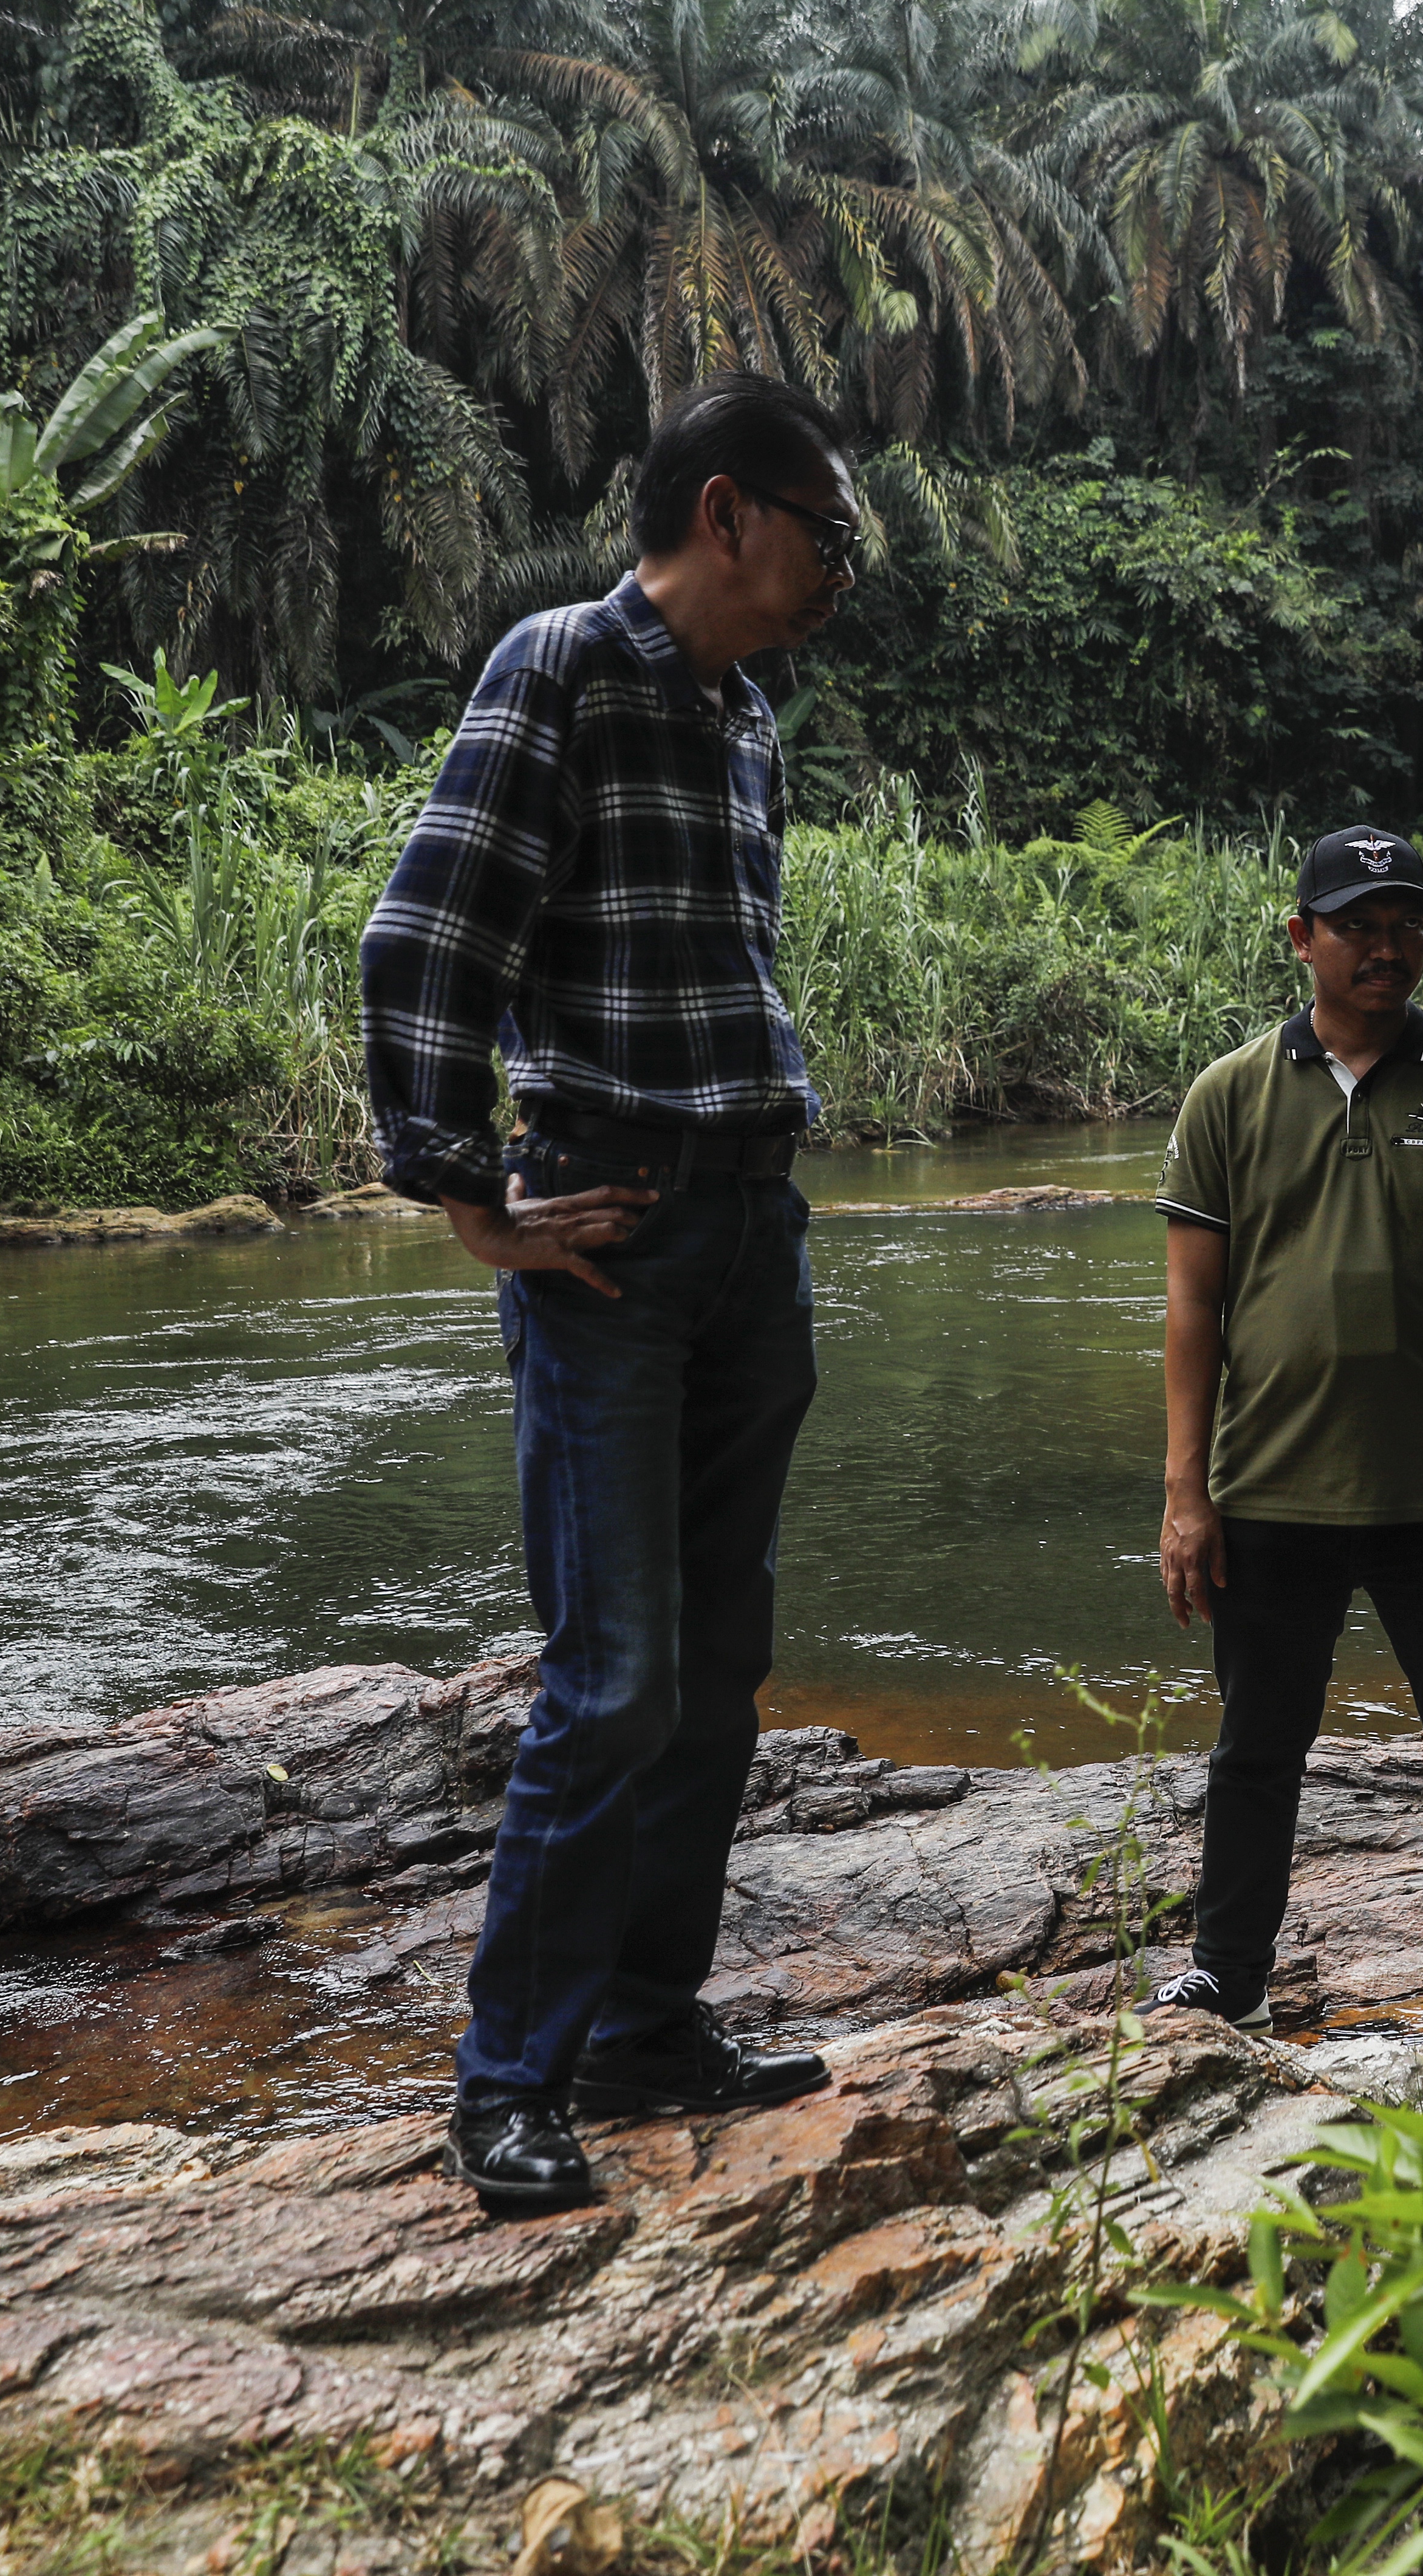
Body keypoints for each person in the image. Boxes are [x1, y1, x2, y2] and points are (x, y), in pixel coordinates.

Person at [358, 372, 865, 2214]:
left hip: (751, 1226)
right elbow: (424, 933)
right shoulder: (560, 667)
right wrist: (462, 1189)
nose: (841, 570)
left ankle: (653, 2026)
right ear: (727, 513)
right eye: (830, 531)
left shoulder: (747, 724)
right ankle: (510, 2081)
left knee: (717, 1668)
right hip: (619, 1241)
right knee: (617, 1677)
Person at [1146, 826, 1423, 2029]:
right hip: (1270, 1492)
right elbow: (1193, 1307)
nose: (1386, 947)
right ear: (1301, 938)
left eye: (1406, 922)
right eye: (1358, 925)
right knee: (1257, 1751)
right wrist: (1184, 1491)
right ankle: (1228, 1970)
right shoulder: (1230, 1096)